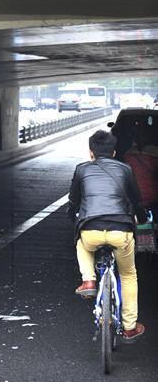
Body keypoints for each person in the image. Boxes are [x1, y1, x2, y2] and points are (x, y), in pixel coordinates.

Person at [68, 129, 147, 343]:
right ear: (114, 153)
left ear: (91, 152)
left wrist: (71, 216)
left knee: (81, 244)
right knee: (129, 275)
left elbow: (73, 201)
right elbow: (137, 200)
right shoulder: (125, 169)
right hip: (120, 230)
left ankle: (89, 281)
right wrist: (142, 216)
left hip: (91, 229)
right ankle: (129, 327)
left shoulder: (82, 169)